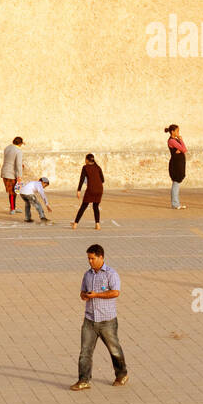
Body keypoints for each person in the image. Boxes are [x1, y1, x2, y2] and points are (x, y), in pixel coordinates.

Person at [70, 244, 128, 390]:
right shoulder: (87, 275)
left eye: (92, 258)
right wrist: (85, 296)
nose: (90, 261)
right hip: (89, 320)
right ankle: (83, 380)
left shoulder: (110, 274)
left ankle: (121, 374)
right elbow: (82, 292)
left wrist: (96, 295)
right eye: (88, 259)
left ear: (101, 257)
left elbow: (115, 292)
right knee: (85, 352)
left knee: (114, 349)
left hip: (107, 320)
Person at [73, 154, 104, 230]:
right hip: (99, 189)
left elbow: (82, 179)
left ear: (87, 160)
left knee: (84, 206)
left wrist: (79, 190)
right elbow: (103, 180)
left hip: (91, 189)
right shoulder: (98, 167)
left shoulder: (85, 167)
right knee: (95, 206)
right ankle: (97, 224)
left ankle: (75, 224)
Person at [2, 137, 24, 214]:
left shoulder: (7, 148)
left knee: (14, 191)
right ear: (20, 143)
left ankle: (13, 207)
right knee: (13, 192)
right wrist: (19, 176)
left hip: (5, 171)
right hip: (11, 173)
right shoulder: (18, 151)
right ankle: (12, 209)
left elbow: (10, 160)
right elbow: (18, 164)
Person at [167, 124, 187, 209]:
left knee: (177, 182)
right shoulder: (171, 141)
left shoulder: (176, 140)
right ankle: (175, 204)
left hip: (179, 163)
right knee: (176, 182)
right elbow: (184, 149)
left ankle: (176, 203)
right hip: (175, 164)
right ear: (172, 131)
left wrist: (180, 142)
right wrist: (181, 141)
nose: (178, 133)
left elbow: (184, 149)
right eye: (177, 131)